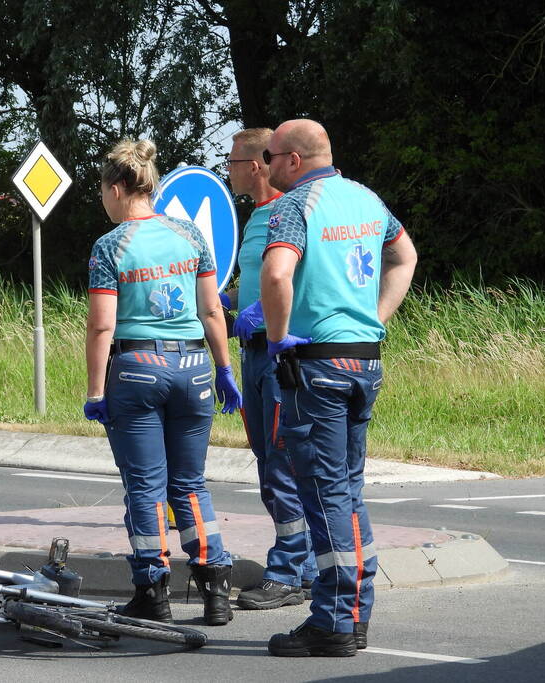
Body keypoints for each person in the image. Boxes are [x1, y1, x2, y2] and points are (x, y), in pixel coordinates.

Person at [259, 119, 417, 657]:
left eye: (271, 155)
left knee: (324, 494)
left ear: (294, 160)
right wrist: (374, 318)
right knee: (348, 490)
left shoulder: (293, 205)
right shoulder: (369, 201)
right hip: (363, 361)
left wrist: (277, 339)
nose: (266, 164)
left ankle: (333, 620)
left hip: (316, 366)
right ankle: (355, 613)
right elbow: (406, 257)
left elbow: (278, 274)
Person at [84, 138, 242, 627]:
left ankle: (153, 592)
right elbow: (212, 308)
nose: (103, 201)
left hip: (135, 369)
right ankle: (215, 589)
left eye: (102, 192)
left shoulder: (111, 246)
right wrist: (224, 369)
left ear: (116, 188)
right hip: (193, 367)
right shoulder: (190, 235)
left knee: (146, 487)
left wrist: (94, 391)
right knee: (190, 484)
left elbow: (101, 326)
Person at [221, 127, 318, 610]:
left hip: (280, 355)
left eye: (233, 162)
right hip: (253, 355)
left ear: (257, 165)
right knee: (269, 463)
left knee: (282, 464)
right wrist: (229, 300)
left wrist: (263, 315)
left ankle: (287, 572)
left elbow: (297, 278)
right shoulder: (256, 218)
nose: (229, 170)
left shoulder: (288, 211)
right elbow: (260, 285)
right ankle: (302, 570)